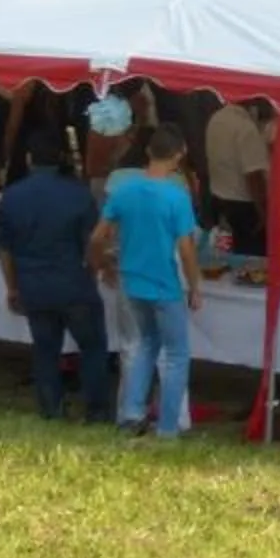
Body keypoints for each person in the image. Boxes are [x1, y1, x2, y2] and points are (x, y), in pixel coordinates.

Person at [89, 124, 204, 440]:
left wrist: (102, 264)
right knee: (177, 354)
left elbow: (98, 236)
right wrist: (195, 286)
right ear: (179, 155)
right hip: (164, 284)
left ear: (148, 152)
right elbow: (186, 248)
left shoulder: (124, 190)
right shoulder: (176, 196)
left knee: (144, 346)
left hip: (130, 280)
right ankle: (168, 427)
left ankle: (131, 414)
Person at [0, 129, 110, 422]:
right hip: (75, 284)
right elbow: (93, 242)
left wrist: (12, 287)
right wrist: (97, 270)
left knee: (45, 351)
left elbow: (5, 250)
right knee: (93, 348)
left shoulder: (11, 197)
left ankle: (52, 410)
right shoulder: (79, 195)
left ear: (29, 159)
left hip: (34, 286)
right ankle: (96, 411)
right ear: (61, 159)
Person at [203, 96, 273, 256]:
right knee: (252, 259)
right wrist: (264, 212)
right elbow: (253, 175)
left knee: (226, 256)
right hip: (243, 206)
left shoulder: (216, 118)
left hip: (219, 198)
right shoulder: (245, 127)